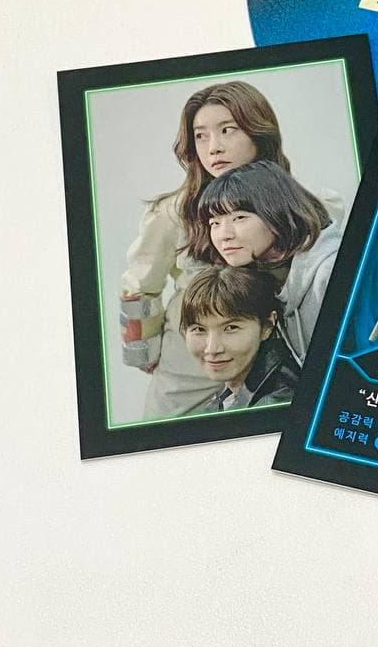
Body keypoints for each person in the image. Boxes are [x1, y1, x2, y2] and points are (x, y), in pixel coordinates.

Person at [119, 80, 291, 419]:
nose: (214, 147)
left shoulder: (295, 202)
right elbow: (139, 287)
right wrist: (144, 353)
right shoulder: (174, 211)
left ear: (258, 132)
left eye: (227, 130)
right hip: (190, 367)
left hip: (273, 359)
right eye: (200, 136)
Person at [193, 158, 344, 364]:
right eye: (215, 223)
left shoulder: (332, 272)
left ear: (277, 212)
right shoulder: (260, 276)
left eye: (239, 218)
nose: (223, 235)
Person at [178, 266, 299, 411]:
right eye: (199, 329)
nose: (212, 349)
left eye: (231, 328)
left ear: (267, 326)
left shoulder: (277, 403)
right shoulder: (230, 394)